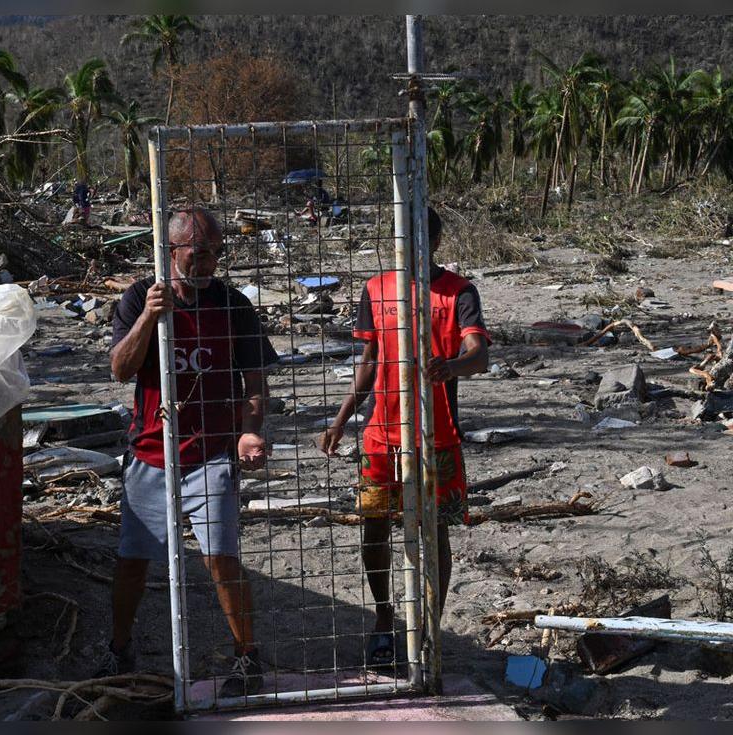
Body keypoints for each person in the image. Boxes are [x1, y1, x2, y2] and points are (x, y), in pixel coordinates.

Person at [100, 207, 278, 698]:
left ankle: (247, 658)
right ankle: (117, 648)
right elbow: (120, 369)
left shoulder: (233, 305)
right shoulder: (141, 296)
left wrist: (248, 431)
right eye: (199, 254)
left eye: (216, 254)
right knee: (133, 560)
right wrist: (149, 319)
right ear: (172, 252)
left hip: (212, 454)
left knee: (220, 558)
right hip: (151, 452)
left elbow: (256, 381)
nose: (208, 264)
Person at [318, 207, 489, 665]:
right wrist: (340, 419)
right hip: (381, 432)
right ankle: (382, 616)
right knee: (374, 525)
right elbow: (370, 358)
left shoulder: (458, 292)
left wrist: (451, 366)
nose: (409, 249)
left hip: (437, 433)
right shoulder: (376, 290)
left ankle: (429, 624)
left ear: (433, 243)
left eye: (418, 240)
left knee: (434, 530)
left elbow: (479, 354)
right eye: (401, 239)